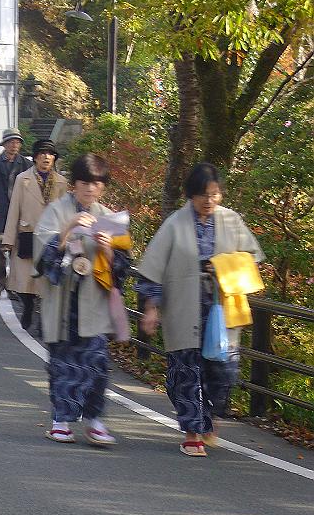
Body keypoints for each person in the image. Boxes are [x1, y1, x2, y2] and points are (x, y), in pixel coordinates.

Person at [136, 162, 265, 457]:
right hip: (184, 307)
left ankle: (210, 417)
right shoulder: (174, 223)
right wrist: (152, 308)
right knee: (186, 371)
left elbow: (253, 259)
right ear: (191, 195)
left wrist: (221, 266)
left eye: (214, 195)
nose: (209, 201)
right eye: (203, 195)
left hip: (222, 306)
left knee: (222, 372)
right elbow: (153, 269)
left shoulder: (232, 221)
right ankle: (193, 431)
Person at [34, 153, 131, 446]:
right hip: (64, 302)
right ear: (73, 184)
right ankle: (61, 419)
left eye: (96, 184)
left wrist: (110, 250)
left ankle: (94, 419)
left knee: (96, 362)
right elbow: (41, 257)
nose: (90, 189)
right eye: (84, 182)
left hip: (94, 303)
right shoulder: (56, 211)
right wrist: (67, 229)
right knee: (62, 362)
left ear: (103, 187)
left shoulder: (109, 218)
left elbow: (122, 269)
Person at [1, 139, 68, 329]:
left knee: (47, 280)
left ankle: (42, 319)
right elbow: (14, 208)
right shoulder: (23, 179)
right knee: (25, 279)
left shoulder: (61, 182)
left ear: (54, 158)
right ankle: (28, 306)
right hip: (26, 234)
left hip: (51, 238)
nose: (46, 157)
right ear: (36, 157)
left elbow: (65, 213)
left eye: (50, 154)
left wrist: (67, 237)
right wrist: (8, 239)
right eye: (42, 153)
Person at [0, 128, 32, 298]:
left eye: (17, 142)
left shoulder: (27, 165)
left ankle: (13, 286)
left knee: (17, 252)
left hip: (21, 215)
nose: (14, 145)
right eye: (11, 141)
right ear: (4, 144)